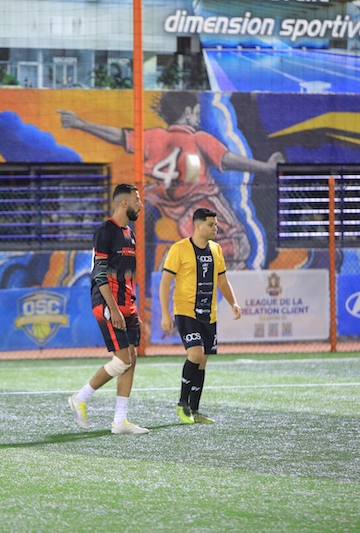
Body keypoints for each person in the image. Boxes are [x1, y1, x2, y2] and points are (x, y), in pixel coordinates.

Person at [59, 94, 283, 271]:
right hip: (201, 205)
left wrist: (80, 123)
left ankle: (185, 265)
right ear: (187, 113)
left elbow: (118, 136)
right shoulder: (199, 139)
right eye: (196, 113)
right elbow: (230, 160)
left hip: (173, 210)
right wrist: (266, 167)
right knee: (240, 246)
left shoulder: (153, 137)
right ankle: (184, 259)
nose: (198, 118)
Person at [67, 183, 149, 435]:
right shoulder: (105, 231)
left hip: (127, 304)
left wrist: (133, 309)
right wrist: (113, 309)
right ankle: (79, 398)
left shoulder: (129, 234)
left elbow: (128, 276)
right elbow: (99, 273)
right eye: (137, 200)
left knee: (131, 359)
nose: (140, 204)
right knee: (123, 359)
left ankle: (120, 422)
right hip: (107, 303)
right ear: (124, 203)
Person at [159, 207, 242, 424]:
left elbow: (222, 281)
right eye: (211, 224)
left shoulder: (216, 249)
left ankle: (195, 411)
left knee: (202, 361)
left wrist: (233, 302)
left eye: (216, 224)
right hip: (186, 311)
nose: (216, 228)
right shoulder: (179, 249)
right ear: (197, 226)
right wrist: (165, 314)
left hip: (209, 314)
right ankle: (182, 404)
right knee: (195, 354)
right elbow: (165, 282)